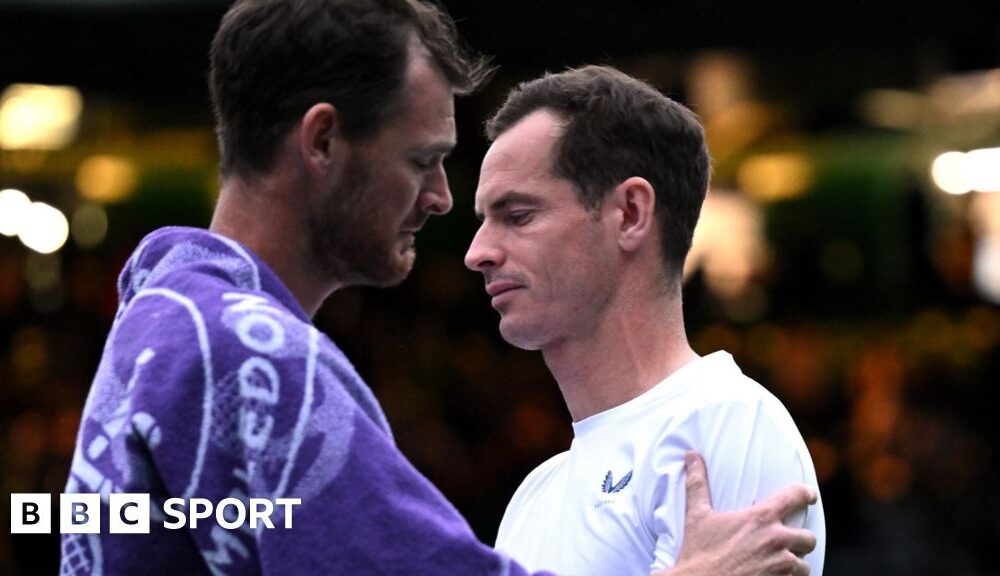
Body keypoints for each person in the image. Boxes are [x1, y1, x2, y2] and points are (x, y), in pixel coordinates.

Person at [60, 1, 816, 574]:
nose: (442, 203)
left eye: (517, 213)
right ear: (322, 141)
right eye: (422, 159)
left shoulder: (157, 333)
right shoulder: (251, 358)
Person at [464, 65, 826, 576]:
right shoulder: (533, 497)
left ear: (630, 213)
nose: (477, 253)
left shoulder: (727, 423)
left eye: (517, 215)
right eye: (483, 221)